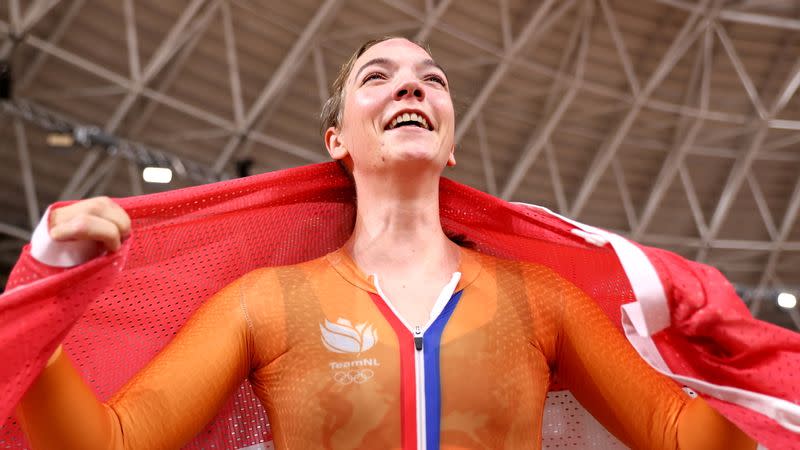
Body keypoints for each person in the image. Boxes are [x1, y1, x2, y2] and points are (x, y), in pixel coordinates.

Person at [15, 37, 755, 450]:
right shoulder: (264, 303)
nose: (411, 89)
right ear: (336, 139)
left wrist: (745, 363)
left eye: (431, 81)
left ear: (450, 142)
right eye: (380, 77)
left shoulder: (541, 301)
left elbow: (677, 432)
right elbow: (106, 445)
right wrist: (44, 295)